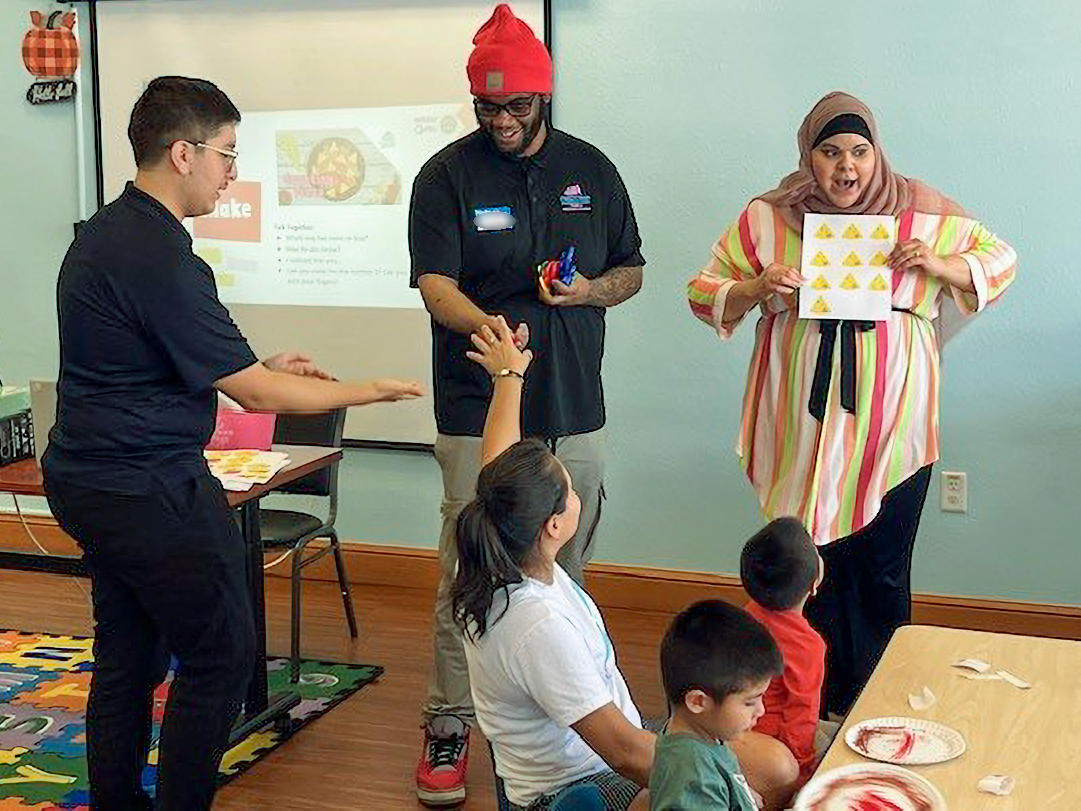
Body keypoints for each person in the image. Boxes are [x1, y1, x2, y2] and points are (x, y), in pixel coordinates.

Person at [43, 76, 421, 811]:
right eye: (226, 153)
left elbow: (171, 366)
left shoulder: (105, 235)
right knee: (221, 653)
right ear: (182, 153)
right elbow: (256, 395)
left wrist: (260, 366)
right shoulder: (160, 256)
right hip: (147, 488)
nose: (233, 171)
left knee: (128, 657)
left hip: (89, 481)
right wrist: (366, 389)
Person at [686, 91, 1017, 715]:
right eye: (830, 151)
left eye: (859, 152)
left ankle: (881, 705)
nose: (846, 167)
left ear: (876, 153)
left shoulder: (919, 211)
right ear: (809, 156)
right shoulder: (770, 218)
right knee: (814, 571)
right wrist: (756, 286)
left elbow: (1000, 260)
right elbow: (702, 292)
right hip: (801, 431)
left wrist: (940, 264)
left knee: (884, 568)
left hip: (894, 430)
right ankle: (816, 706)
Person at [408, 4, 645, 802]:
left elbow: (631, 271)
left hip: (574, 400)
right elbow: (434, 283)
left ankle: (567, 730)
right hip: (479, 398)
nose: (502, 121)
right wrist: (490, 329)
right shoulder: (446, 175)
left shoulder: (593, 169)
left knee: (561, 569)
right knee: (469, 571)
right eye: (487, 106)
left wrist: (587, 291)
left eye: (516, 106)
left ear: (544, 98)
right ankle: (447, 728)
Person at [453, 317, 653, 811]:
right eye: (569, 490)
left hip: (598, 760)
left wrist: (509, 376)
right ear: (555, 527)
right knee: (760, 769)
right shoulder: (536, 624)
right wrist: (720, 774)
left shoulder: (496, 543)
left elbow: (496, 463)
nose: (576, 494)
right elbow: (626, 754)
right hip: (576, 791)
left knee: (760, 759)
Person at [650, 600, 800, 811]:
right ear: (698, 702)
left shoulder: (706, 733)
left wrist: (742, 793)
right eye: (749, 702)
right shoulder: (693, 779)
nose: (761, 710)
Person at [741, 518, 827, 782]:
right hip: (774, 745)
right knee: (838, 742)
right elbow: (802, 713)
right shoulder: (807, 646)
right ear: (814, 583)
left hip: (737, 733)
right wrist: (801, 771)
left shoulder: (748, 613)